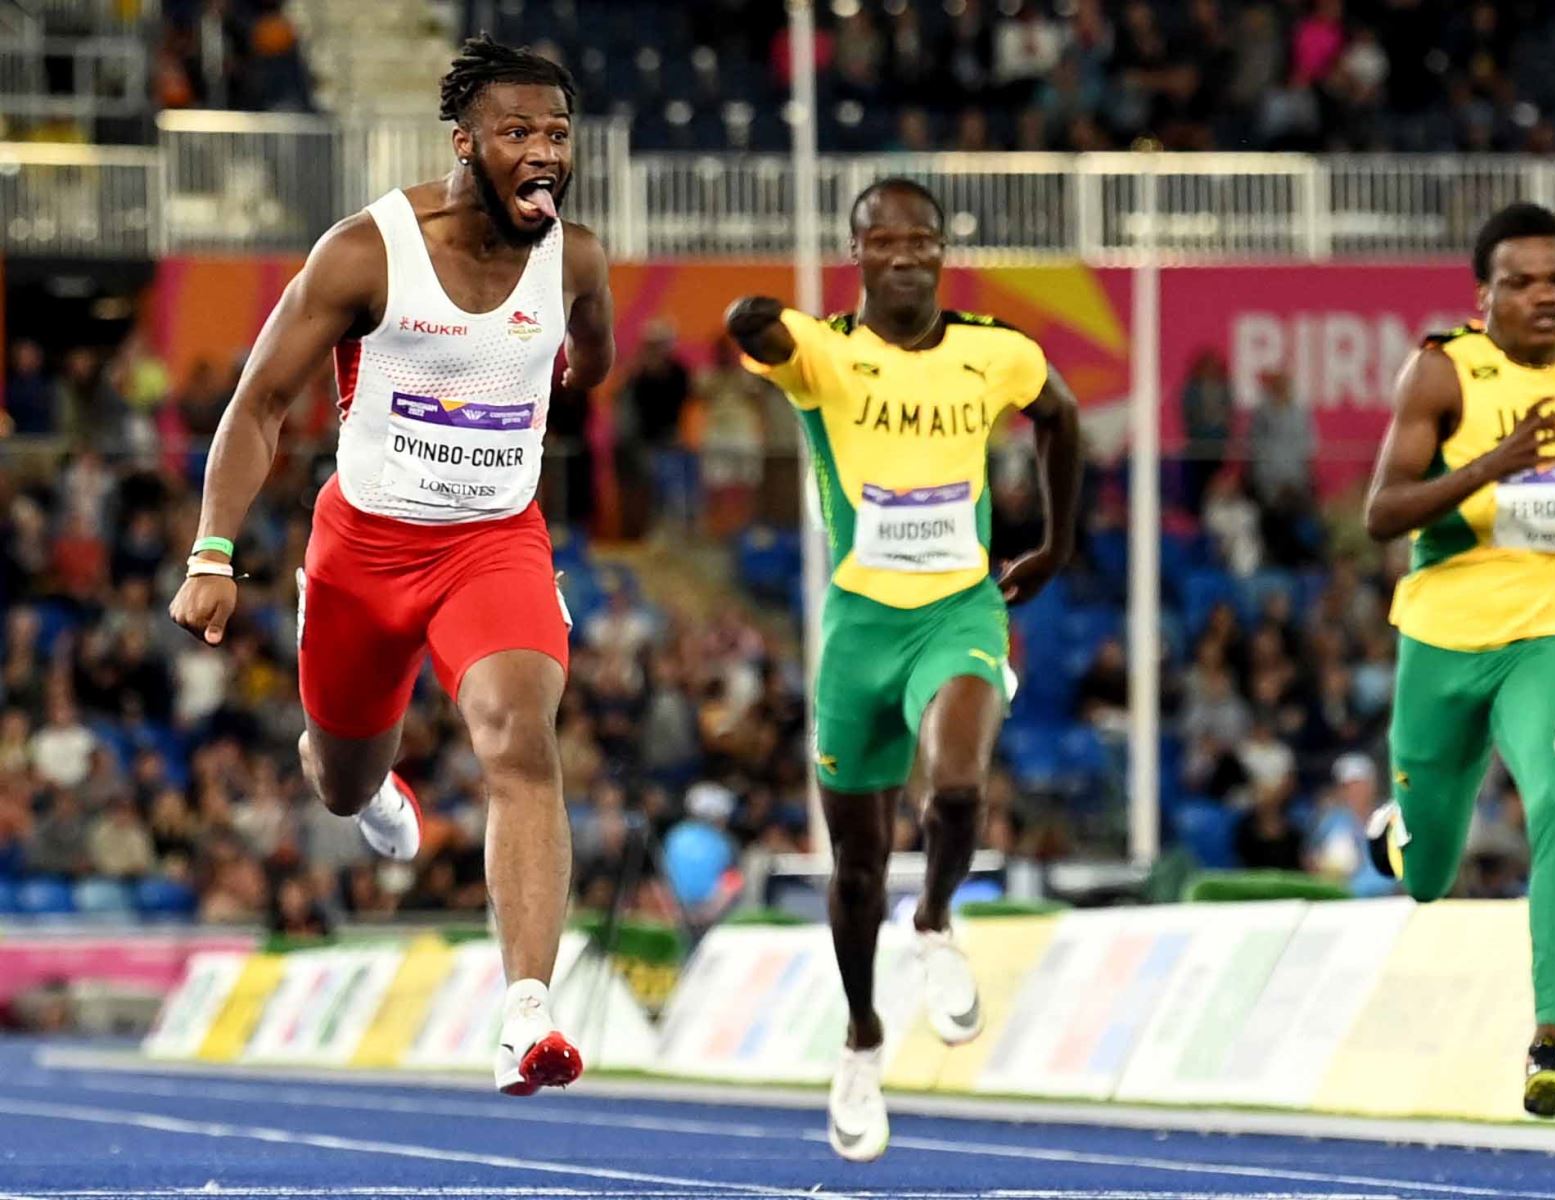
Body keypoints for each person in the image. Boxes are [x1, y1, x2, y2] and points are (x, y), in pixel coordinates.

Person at [166, 36, 615, 1097]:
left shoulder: (576, 256)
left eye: (557, 135)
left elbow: (587, 344)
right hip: (365, 551)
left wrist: (579, 364)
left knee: (519, 733)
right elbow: (259, 405)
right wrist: (213, 552)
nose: (542, 153)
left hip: (494, 543)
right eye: (516, 132)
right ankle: (368, 795)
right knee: (339, 780)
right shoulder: (368, 252)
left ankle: (525, 1012)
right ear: (463, 142)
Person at [725, 178, 1080, 1162]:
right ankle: (862, 1035)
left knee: (960, 779)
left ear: (942, 251)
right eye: (884, 239)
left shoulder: (993, 350)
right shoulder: (827, 355)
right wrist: (747, 319)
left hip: (959, 611)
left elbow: (1061, 417)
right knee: (855, 867)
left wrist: (1052, 545)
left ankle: (936, 921)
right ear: (858, 254)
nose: (906, 253)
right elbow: (764, 338)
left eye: (922, 238)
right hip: (858, 634)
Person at [1362, 202, 1555, 1119]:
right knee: (1427, 878)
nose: (1545, 297)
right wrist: (1489, 464)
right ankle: (1395, 832)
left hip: (1547, 633)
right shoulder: (1441, 371)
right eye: (1522, 282)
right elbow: (1383, 510)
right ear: (1483, 294)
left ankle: (1548, 1042)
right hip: (1442, 641)